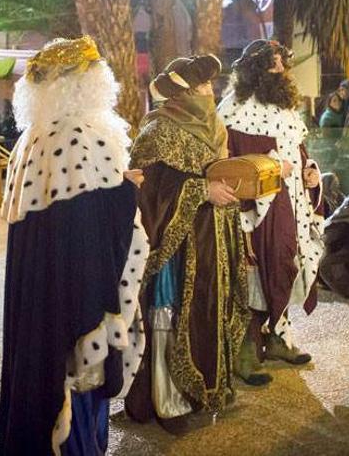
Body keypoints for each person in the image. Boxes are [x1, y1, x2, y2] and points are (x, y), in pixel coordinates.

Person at [0, 35, 149, 456]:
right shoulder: (81, 136)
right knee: (79, 398)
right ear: (79, 83)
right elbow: (89, 233)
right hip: (77, 305)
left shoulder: (32, 139)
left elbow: (66, 222)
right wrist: (126, 192)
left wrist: (115, 190)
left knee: (47, 389)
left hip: (41, 300)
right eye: (94, 73)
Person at [126, 54, 251, 432]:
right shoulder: (157, 130)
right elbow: (151, 191)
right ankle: (169, 402)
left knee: (212, 309)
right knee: (172, 310)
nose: (210, 93)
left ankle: (207, 390)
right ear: (185, 92)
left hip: (215, 237)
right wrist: (201, 190)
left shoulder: (215, 126)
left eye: (211, 86)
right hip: (177, 245)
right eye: (203, 86)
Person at [217, 39, 324, 374]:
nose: (281, 69)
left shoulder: (284, 106)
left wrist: (310, 172)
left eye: (282, 62)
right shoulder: (234, 110)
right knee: (255, 272)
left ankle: (278, 338)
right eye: (274, 63)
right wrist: (275, 168)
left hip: (290, 200)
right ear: (256, 70)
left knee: (286, 260)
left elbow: (297, 148)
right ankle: (247, 349)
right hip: (253, 209)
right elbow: (234, 162)